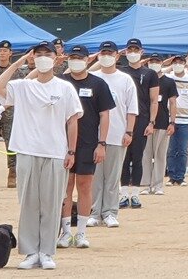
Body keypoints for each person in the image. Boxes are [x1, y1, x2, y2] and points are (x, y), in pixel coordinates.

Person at [0, 41, 82, 270]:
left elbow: (72, 121)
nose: (43, 58)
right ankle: (31, 251)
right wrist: (22, 61)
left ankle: (47, 251)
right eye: (39, 54)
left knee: (51, 203)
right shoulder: (24, 86)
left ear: (55, 58)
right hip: (27, 150)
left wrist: (71, 150)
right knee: (29, 203)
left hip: (55, 152)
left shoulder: (65, 88)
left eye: (47, 54)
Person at [54, 45, 114, 249]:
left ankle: (81, 232)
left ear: (88, 59)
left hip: (89, 143)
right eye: (72, 57)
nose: (76, 60)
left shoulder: (98, 84)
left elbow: (105, 115)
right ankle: (65, 232)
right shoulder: (61, 82)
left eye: (80, 57)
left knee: (85, 186)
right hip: (62, 142)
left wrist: (102, 143)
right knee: (66, 187)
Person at [86, 41, 139, 228]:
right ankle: (94, 212)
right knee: (95, 177)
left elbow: (131, 109)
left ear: (117, 56)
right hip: (93, 135)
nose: (106, 56)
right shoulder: (91, 77)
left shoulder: (125, 79)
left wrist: (129, 131)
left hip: (117, 134)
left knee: (112, 176)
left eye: (110, 53)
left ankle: (110, 212)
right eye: (103, 53)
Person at [118, 38, 159, 209]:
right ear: (125, 52)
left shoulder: (149, 74)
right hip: (123, 119)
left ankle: (134, 194)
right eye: (129, 50)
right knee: (123, 158)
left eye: (136, 50)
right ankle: (122, 194)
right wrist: (116, 56)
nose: (132, 53)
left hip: (141, 119)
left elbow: (154, 100)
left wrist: (151, 122)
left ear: (142, 52)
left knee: (138, 157)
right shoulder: (120, 71)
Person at [0, 40, 28, 188]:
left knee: (12, 142)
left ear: (11, 53)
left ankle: (12, 174)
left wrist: (2, 108)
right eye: (0, 51)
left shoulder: (18, 72)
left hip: (11, 111)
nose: (3, 53)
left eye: (6, 51)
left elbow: (20, 94)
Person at [140, 53, 177, 195]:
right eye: (152, 61)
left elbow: (173, 103)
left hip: (162, 122)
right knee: (145, 155)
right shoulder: (145, 79)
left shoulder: (169, 82)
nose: (154, 63)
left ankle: (158, 184)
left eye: (157, 61)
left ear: (162, 63)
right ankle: (145, 184)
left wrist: (172, 122)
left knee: (160, 154)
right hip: (145, 123)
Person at [166, 55, 188, 187]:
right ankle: (171, 176)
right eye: (175, 62)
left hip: (186, 120)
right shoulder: (168, 77)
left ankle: (180, 176)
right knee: (171, 149)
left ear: (185, 64)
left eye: (181, 62)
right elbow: (159, 71)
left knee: (183, 149)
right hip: (170, 119)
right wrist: (169, 63)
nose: (178, 65)